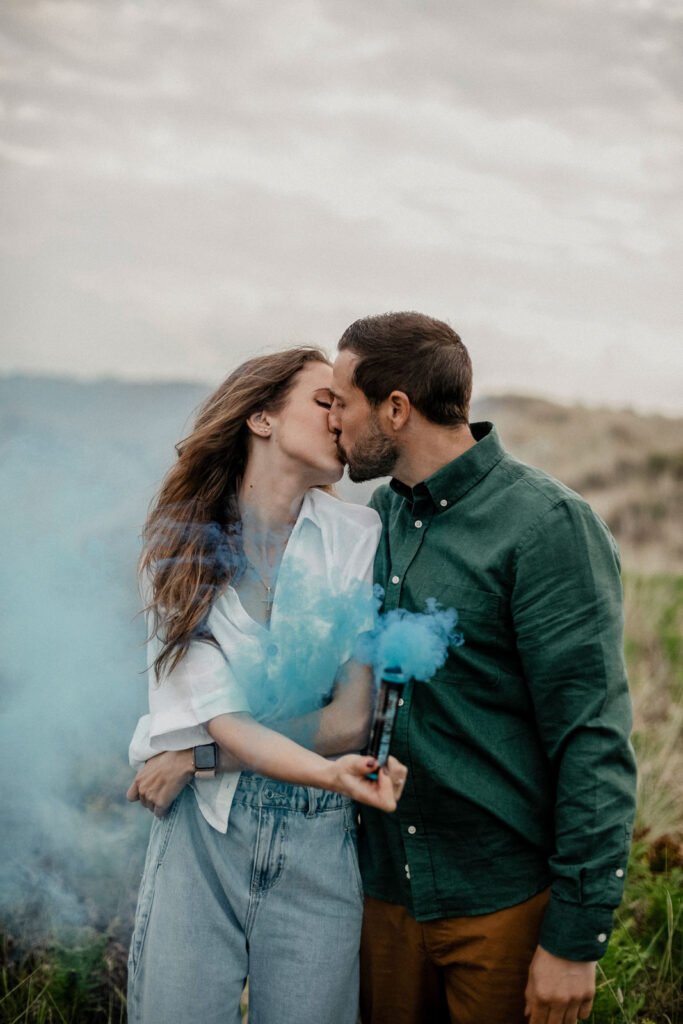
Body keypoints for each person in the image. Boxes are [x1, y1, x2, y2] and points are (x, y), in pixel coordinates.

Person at [328, 311, 637, 1024]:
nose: (333, 419)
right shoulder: (382, 514)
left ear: (396, 409)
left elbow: (591, 737)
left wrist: (574, 941)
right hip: (383, 896)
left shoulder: (547, 525)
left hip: (499, 904)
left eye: (342, 401)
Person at [125, 346, 407, 1024]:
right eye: (324, 401)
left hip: (318, 835)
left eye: (343, 405)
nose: (340, 419)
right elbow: (228, 722)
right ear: (261, 418)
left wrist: (195, 759)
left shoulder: (357, 534)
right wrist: (320, 767)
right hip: (203, 832)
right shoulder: (180, 552)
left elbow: (349, 721)